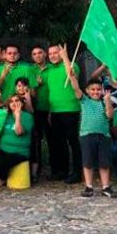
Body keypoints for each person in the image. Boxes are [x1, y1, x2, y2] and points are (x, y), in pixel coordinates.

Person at [62, 45, 117, 198]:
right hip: (86, 135)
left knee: (104, 163)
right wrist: (66, 58)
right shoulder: (84, 100)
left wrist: (106, 101)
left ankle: (106, 186)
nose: (95, 92)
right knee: (88, 162)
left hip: (103, 136)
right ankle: (89, 186)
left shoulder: (105, 101)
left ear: (102, 90)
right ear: (87, 91)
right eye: (92, 90)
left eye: (98, 90)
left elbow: (110, 116)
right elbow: (72, 78)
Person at [45, 44, 82, 184]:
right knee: (59, 142)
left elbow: (71, 75)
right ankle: (62, 171)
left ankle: (77, 172)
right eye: (51, 53)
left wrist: (66, 57)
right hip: (55, 111)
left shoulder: (71, 65)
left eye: (56, 53)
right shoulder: (49, 71)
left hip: (70, 110)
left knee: (73, 142)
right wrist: (49, 110)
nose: (53, 56)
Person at [0, 95, 34, 186]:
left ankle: (2, 178)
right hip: (2, 150)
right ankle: (0, 176)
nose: (14, 103)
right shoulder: (6, 116)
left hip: (19, 152)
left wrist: (17, 116)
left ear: (21, 103)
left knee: (0, 163)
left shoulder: (27, 117)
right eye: (11, 101)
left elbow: (19, 132)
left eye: (17, 100)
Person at [30, 45, 50, 184]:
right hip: (35, 109)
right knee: (36, 140)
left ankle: (57, 169)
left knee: (53, 140)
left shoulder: (52, 68)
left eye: (40, 53)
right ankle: (36, 171)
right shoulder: (30, 70)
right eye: (34, 53)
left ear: (45, 54)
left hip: (51, 109)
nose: (37, 55)